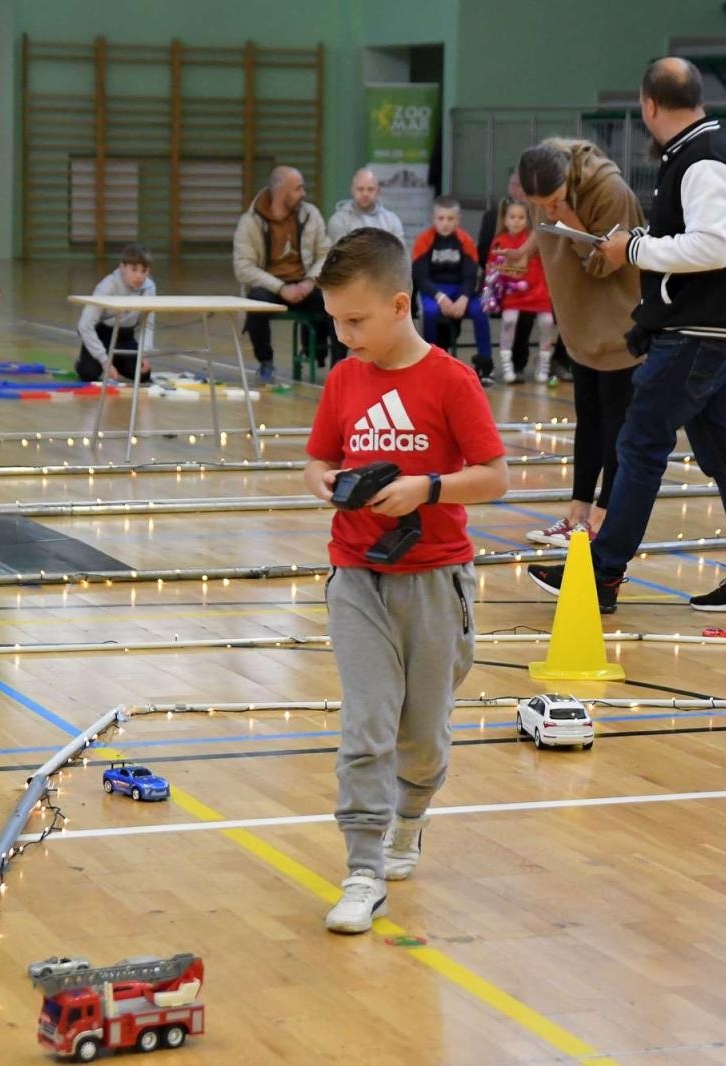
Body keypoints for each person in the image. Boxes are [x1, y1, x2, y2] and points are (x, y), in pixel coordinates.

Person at [303, 228, 509, 934]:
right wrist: (326, 481)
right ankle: (362, 868)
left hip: (434, 580)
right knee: (366, 726)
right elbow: (316, 460)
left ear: (399, 305)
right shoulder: (342, 380)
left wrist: (427, 488)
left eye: (355, 321)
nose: (343, 334)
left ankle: (409, 818)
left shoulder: (451, 380)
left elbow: (494, 476)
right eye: (334, 320)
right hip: (356, 574)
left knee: (421, 735)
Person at [529, 57, 726, 615]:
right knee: (725, 454)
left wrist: (635, 249)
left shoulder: (706, 158)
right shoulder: (700, 151)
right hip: (703, 330)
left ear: (648, 105)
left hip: (696, 333)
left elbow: (711, 247)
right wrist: (643, 237)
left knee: (641, 447)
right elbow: (694, 238)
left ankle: (602, 575)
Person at [504, 137, 644, 548]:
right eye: (539, 204)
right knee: (588, 418)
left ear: (567, 179)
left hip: (616, 317)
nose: (547, 209)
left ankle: (602, 520)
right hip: (579, 317)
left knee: (617, 424)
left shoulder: (609, 190)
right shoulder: (542, 173)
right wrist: (527, 250)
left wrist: (568, 218)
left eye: (554, 200)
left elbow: (606, 262)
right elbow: (545, 225)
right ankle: (577, 515)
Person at [233, 165, 332, 384]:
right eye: (298, 189)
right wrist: (280, 288)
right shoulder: (250, 222)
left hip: (305, 283)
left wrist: (309, 281)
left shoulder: (310, 215)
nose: (303, 194)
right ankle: (265, 361)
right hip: (271, 287)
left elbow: (325, 253)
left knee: (335, 300)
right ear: (281, 192)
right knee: (256, 302)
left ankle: (338, 365)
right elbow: (243, 268)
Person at [412, 196, 494, 382]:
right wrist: (440, 297)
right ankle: (431, 364)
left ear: (457, 220)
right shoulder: (423, 241)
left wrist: (464, 298)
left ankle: (486, 365)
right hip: (434, 290)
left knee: (480, 310)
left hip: (460, 289)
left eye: (450, 219)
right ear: (433, 219)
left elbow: (470, 275)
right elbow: (421, 276)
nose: (445, 223)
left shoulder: (466, 241)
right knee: (430, 313)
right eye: (441, 218)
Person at [483, 199, 554, 384]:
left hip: (538, 291)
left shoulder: (534, 239)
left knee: (547, 322)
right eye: (512, 217)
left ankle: (544, 360)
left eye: (521, 217)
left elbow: (544, 266)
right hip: (513, 294)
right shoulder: (500, 242)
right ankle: (506, 363)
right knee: (509, 320)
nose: (516, 221)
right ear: (505, 219)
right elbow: (493, 271)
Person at [76, 242, 157, 384]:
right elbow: (84, 325)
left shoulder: (149, 289)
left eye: (143, 271)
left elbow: (147, 325)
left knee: (143, 375)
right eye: (134, 270)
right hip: (103, 335)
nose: (139, 276)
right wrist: (103, 359)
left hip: (125, 337)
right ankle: (90, 360)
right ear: (122, 267)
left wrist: (144, 354)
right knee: (88, 374)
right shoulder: (107, 286)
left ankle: (118, 361)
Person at [327, 167, 405, 243]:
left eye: (370, 189)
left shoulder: (392, 220)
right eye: (360, 189)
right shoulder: (339, 220)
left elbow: (401, 254)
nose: (365, 194)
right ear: (352, 190)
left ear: (378, 191)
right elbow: (340, 254)